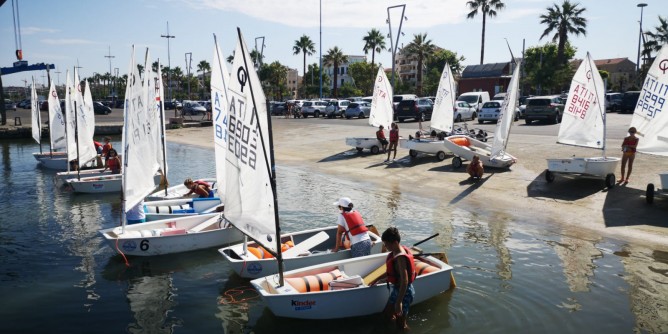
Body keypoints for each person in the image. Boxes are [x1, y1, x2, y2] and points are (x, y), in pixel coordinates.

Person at [381, 227, 416, 331]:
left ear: (395, 242)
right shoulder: (395, 251)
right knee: (388, 314)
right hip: (397, 290)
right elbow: (394, 273)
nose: (385, 247)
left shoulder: (400, 258)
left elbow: (404, 281)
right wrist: (380, 279)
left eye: (387, 244)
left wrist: (399, 302)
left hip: (404, 293)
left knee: (401, 324)